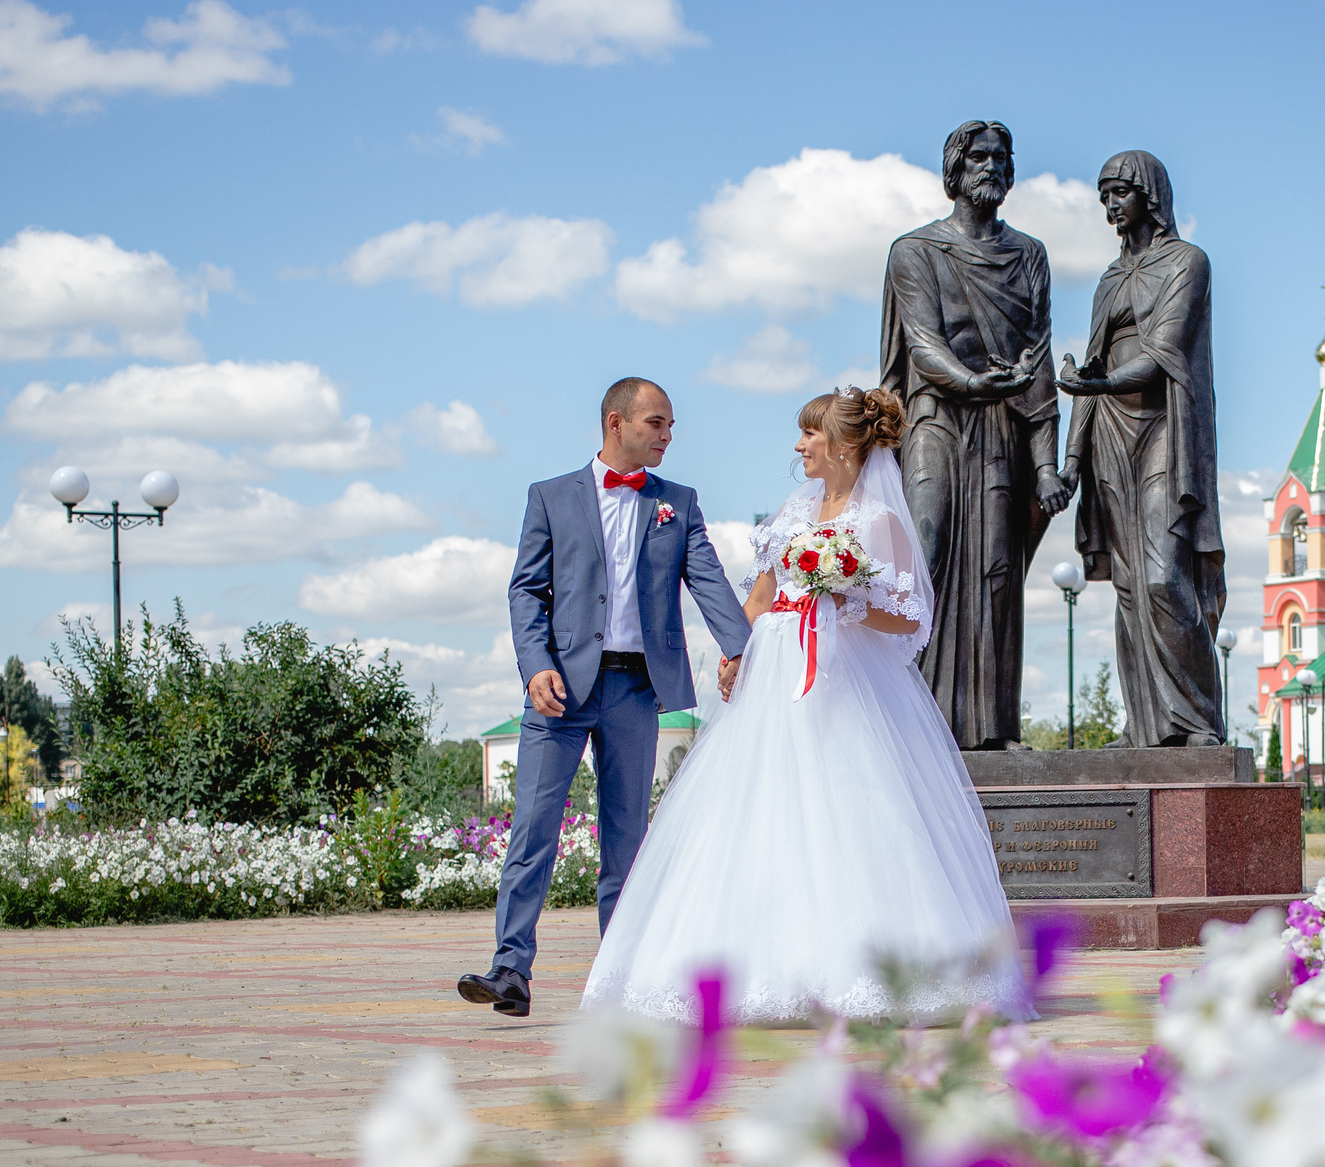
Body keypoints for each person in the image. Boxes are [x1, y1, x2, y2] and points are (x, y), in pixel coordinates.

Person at [580, 388, 1025, 1024]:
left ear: (843, 445)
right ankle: (748, 968)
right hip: (773, 673)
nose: (799, 447)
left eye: (809, 436)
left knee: (849, 812)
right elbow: (759, 598)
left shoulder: (880, 523)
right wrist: (738, 654)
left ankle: (863, 971)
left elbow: (910, 618)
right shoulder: (795, 510)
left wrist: (847, 605)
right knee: (756, 812)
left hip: (844, 682)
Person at [457, 377, 751, 1018]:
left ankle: (620, 982)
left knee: (626, 841)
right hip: (558, 688)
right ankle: (510, 970)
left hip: (635, 689)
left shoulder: (679, 503)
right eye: (657, 422)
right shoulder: (551, 497)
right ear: (616, 423)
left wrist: (744, 649)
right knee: (533, 830)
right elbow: (526, 591)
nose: (668, 434)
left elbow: (709, 582)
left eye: (670, 424)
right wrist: (534, 667)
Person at [879, 118, 1074, 749]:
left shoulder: (1029, 256)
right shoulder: (916, 252)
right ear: (955, 170)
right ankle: (906, 717)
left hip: (1001, 426)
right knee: (924, 548)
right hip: (936, 415)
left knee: (997, 570)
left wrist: (1045, 464)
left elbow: (1038, 362)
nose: (992, 166)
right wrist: (975, 381)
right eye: (979, 157)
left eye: (1001, 157)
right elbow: (925, 348)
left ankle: (992, 731)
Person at [1058, 150, 1227, 747]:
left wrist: (1097, 382)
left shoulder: (1187, 262)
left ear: (1150, 196)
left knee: (1163, 578)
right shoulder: (1108, 280)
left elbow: (1165, 351)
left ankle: (1200, 722)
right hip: (1109, 435)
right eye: (1103, 195)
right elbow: (1090, 370)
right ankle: (1146, 729)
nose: (1110, 205)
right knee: (1129, 589)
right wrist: (1070, 464)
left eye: (1119, 193)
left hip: (1163, 431)